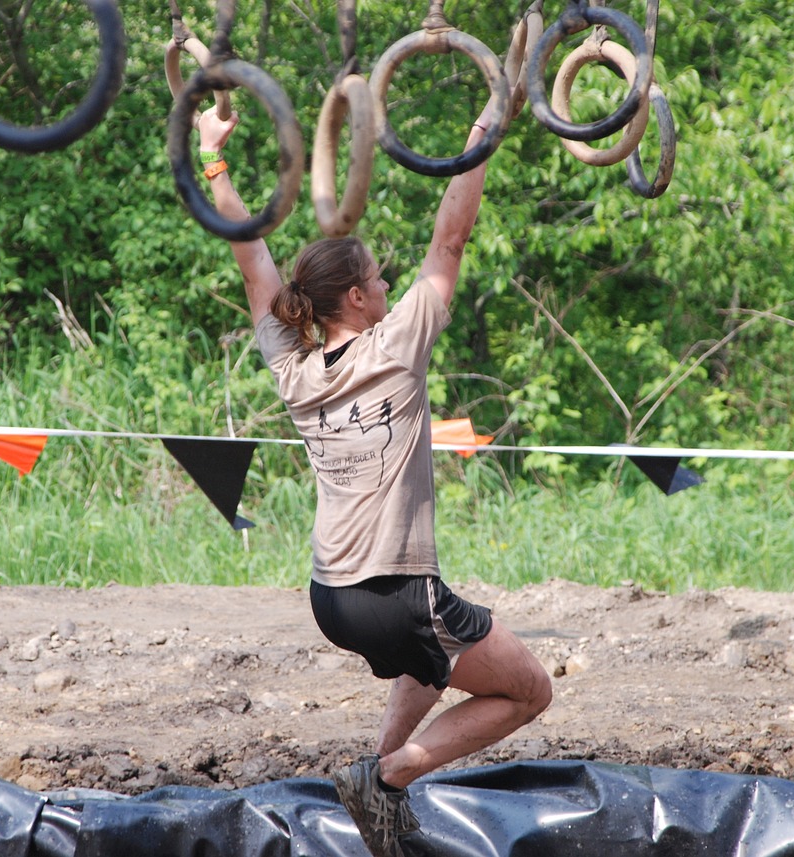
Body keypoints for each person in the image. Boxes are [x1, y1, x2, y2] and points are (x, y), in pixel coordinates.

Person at [197, 98, 553, 857]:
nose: (389, 282)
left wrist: (213, 158)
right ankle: (390, 776)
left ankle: (374, 790)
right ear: (357, 298)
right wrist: (481, 132)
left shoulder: (293, 366)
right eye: (377, 277)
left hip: (332, 595)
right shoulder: (397, 346)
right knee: (528, 690)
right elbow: (450, 235)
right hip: (394, 590)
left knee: (431, 662)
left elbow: (250, 256)